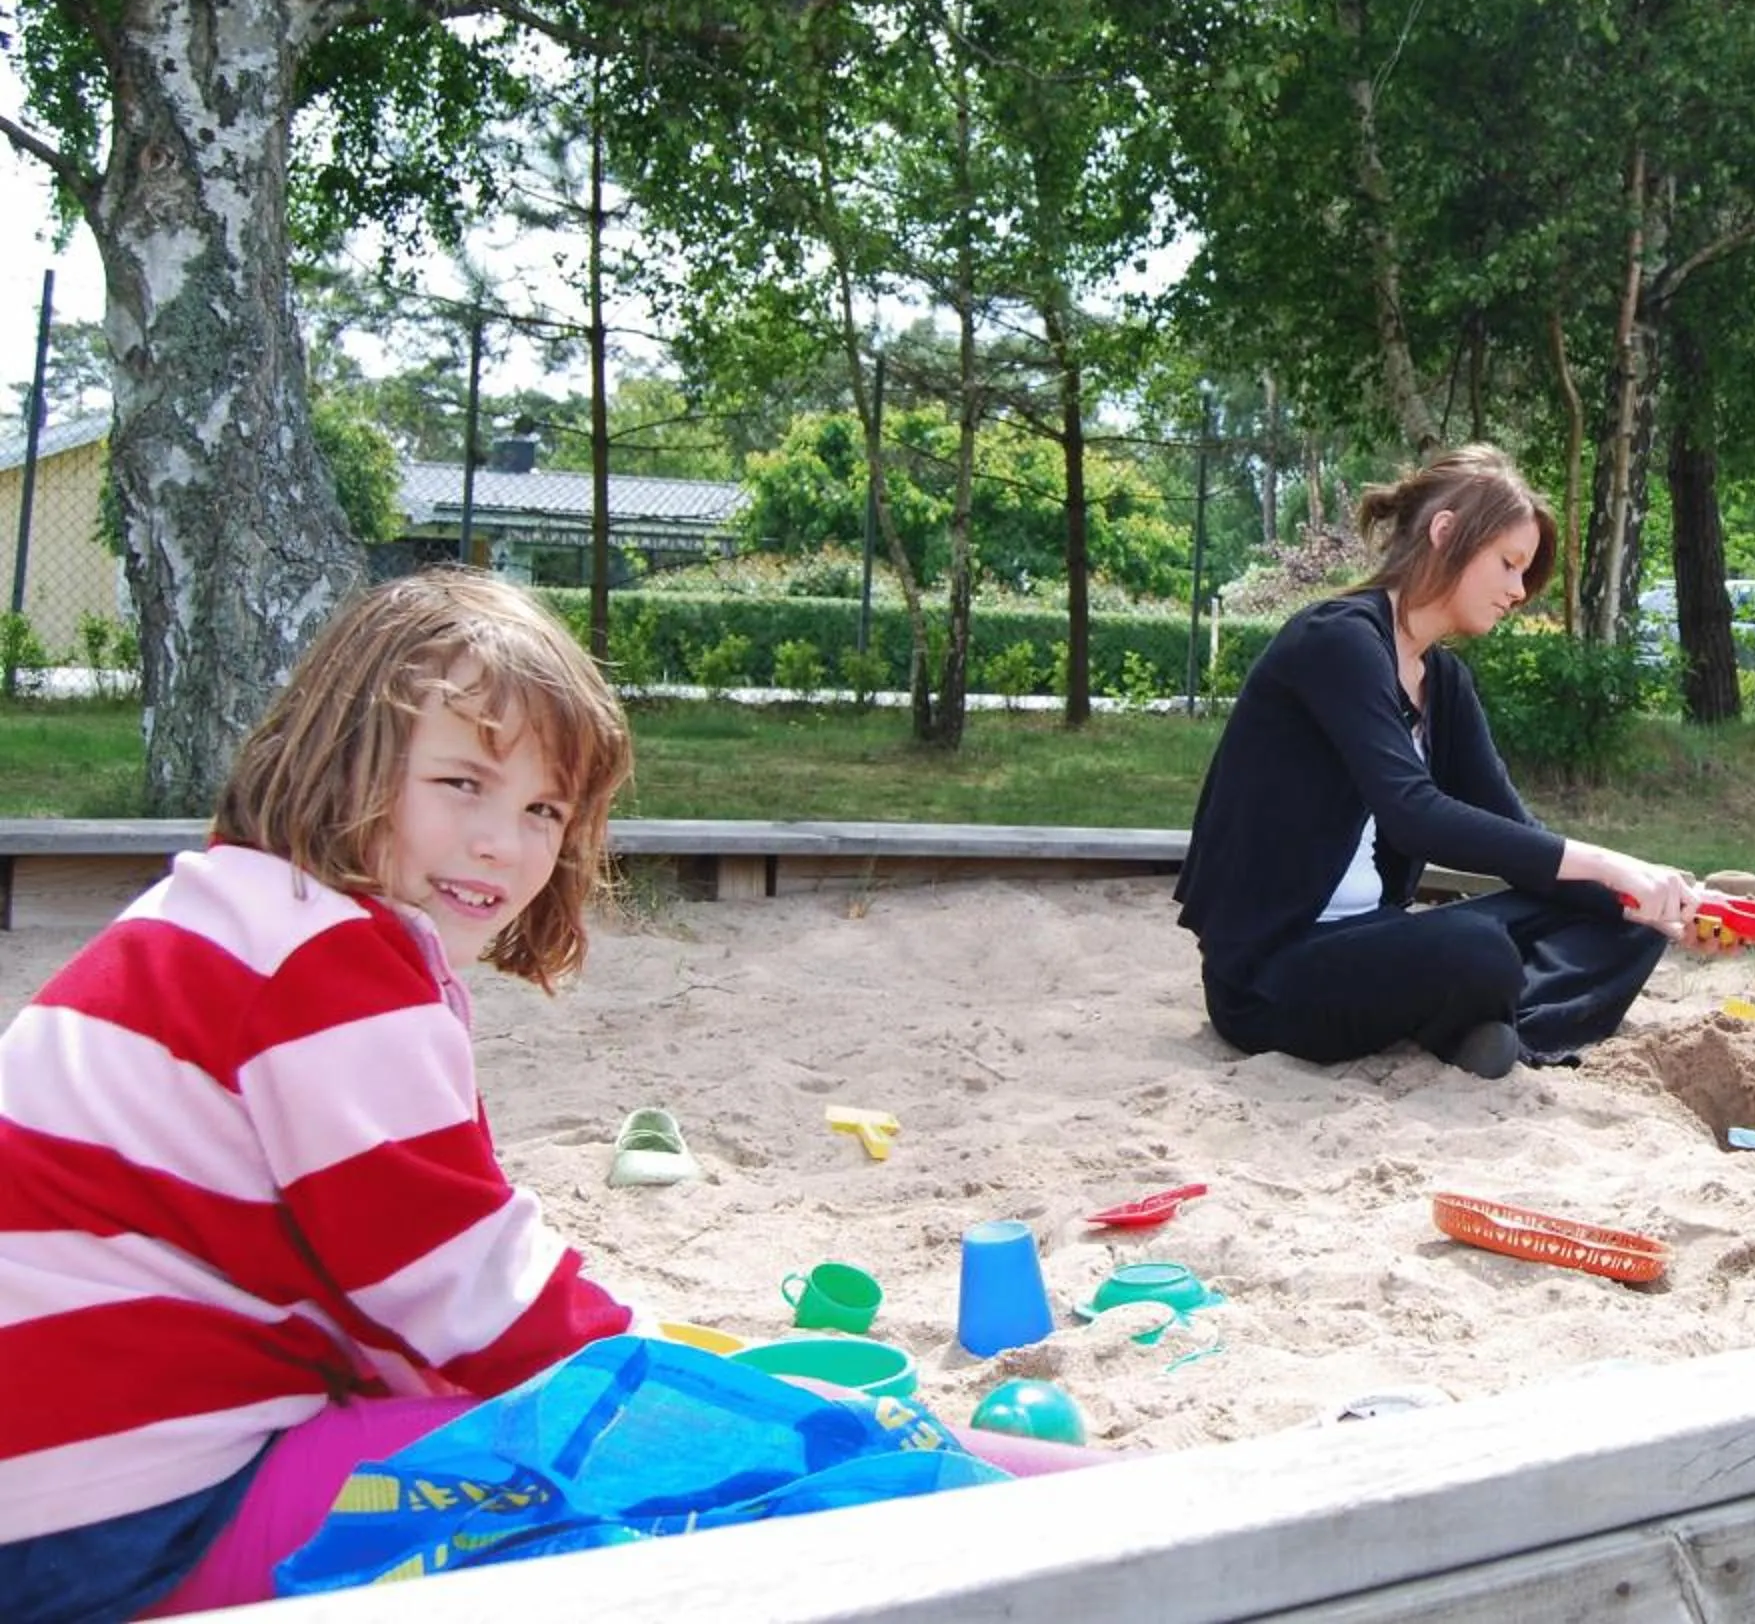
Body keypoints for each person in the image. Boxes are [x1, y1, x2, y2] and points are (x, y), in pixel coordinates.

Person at [0, 572, 1084, 1622]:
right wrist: (670, 1378)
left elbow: (374, 1286)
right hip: (132, 1517)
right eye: (461, 783)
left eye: (542, 808)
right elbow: (475, 1301)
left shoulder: (228, 913)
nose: (500, 842)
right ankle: (1073, 1509)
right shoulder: (327, 966)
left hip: (62, 1497)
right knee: (642, 1477)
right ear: (343, 762)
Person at [1177, 443, 1697, 1077]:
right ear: (1446, 533)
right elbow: (1415, 815)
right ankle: (1481, 1020)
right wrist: (1612, 862)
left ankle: (1493, 1029)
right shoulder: (1336, 640)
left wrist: (1646, 892)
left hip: (1374, 941)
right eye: (1508, 564)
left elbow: (1518, 838)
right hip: (1272, 973)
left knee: (1626, 917)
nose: (1517, 591)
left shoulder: (1443, 683)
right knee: (1478, 949)